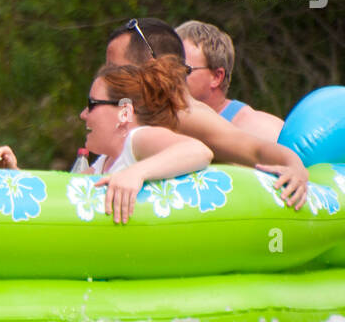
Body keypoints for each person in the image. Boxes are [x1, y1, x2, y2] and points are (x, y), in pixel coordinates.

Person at [106, 18, 308, 210]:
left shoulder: (183, 113)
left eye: (115, 69)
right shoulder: (137, 110)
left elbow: (254, 149)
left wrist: (295, 167)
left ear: (149, 67)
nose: (106, 79)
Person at [81, 59, 213, 223]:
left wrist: (136, 172)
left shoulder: (137, 138)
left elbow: (198, 151)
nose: (83, 114)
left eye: (91, 104)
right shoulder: (103, 162)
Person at [176, 20, 285, 141]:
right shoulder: (162, 126)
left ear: (216, 77)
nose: (170, 76)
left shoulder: (257, 128)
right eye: (166, 67)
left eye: (183, 69)